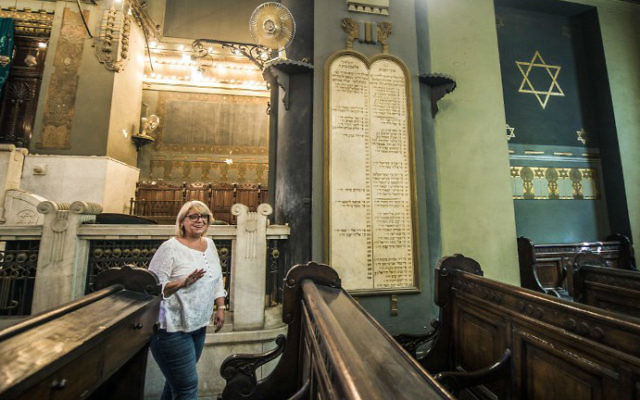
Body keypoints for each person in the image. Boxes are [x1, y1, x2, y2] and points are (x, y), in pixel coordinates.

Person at [148, 200, 227, 400]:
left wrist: (220, 307)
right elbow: (152, 287)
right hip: (171, 328)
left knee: (176, 385)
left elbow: (217, 277)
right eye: (193, 216)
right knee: (187, 388)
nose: (200, 220)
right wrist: (182, 283)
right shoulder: (170, 248)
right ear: (182, 221)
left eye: (204, 216)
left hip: (198, 325)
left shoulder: (209, 244)